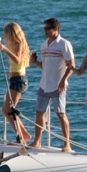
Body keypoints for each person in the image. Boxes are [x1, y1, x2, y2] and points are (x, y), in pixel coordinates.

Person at [28, 17, 75, 151]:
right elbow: (46, 66)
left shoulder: (64, 44)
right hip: (44, 84)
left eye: (48, 28)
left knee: (60, 114)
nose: (46, 31)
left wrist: (63, 80)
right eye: (45, 28)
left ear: (56, 29)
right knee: (39, 112)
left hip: (58, 85)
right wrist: (35, 62)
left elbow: (72, 65)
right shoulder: (44, 45)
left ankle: (67, 144)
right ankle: (37, 142)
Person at [0, 21, 31, 144]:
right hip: (15, 81)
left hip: (19, 81)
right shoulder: (15, 45)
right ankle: (23, 134)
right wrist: (4, 48)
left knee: (8, 110)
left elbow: (17, 60)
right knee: (8, 110)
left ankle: (22, 136)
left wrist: (5, 49)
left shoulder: (19, 44)